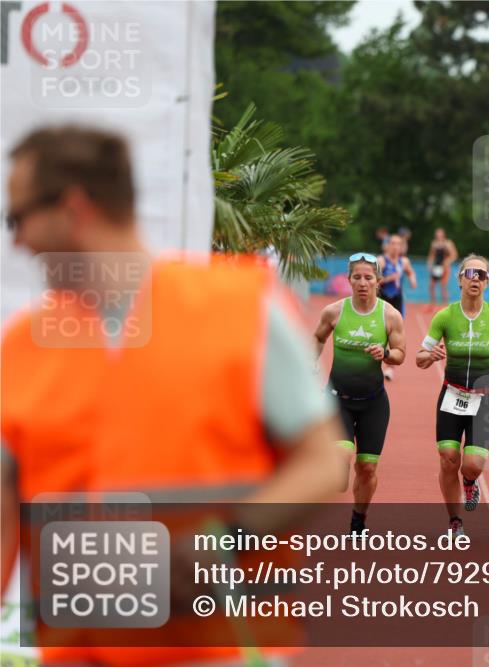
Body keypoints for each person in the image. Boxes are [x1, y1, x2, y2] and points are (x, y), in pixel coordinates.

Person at [0, 126, 352, 666]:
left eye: (17, 218)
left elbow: (323, 462)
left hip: (219, 651)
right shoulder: (20, 346)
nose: (17, 240)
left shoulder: (239, 308)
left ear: (75, 208)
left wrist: (224, 541)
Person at [416, 255, 489, 536]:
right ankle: (455, 521)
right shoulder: (445, 316)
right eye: (470, 273)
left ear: (487, 282)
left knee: (472, 464)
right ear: (459, 278)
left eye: (482, 274)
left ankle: (470, 481)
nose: (476, 278)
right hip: (451, 395)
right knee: (448, 458)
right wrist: (430, 355)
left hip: (484, 398)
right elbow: (419, 357)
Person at [313, 252, 406, 534]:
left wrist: (386, 353)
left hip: (374, 403)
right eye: (357, 277)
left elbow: (401, 355)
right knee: (342, 458)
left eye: (368, 278)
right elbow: (318, 337)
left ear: (378, 281)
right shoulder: (334, 311)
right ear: (349, 280)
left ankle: (358, 520)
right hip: (337, 399)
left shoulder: (390, 315)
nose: (363, 283)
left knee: (367, 469)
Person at [377, 235, 416, 381]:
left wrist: (412, 280)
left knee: (394, 334)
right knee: (380, 332)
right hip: (383, 299)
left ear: (401, 247)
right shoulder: (381, 261)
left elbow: (410, 272)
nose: (395, 246)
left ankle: (390, 368)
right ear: (388, 246)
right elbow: (374, 280)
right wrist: (388, 279)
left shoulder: (404, 261)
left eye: (398, 244)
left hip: (397, 300)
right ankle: (377, 364)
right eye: (392, 243)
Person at [427, 227, 458, 306]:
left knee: (443, 285)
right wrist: (429, 264)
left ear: (443, 234)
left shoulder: (448, 243)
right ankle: (433, 303)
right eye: (437, 234)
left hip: (445, 267)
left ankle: (445, 304)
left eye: (440, 233)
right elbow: (432, 255)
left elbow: (454, 255)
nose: (438, 235)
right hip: (436, 266)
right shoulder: (434, 244)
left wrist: (447, 262)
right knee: (431, 285)